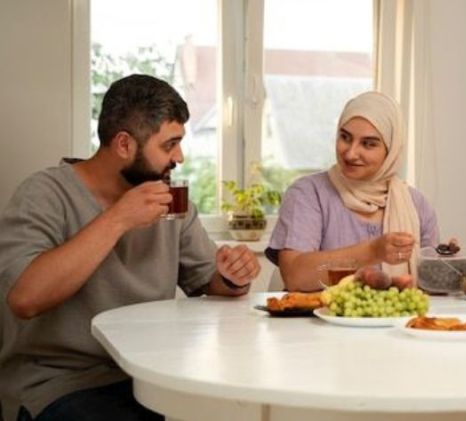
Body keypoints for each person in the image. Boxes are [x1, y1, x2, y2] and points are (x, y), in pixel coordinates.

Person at [0, 75, 261, 421]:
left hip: (151, 376)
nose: (179, 157)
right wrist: (118, 218)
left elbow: (208, 282)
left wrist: (231, 277)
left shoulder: (169, 199)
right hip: (61, 384)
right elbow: (25, 298)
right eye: (169, 145)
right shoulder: (46, 194)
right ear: (124, 144)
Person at [267, 91, 439, 292]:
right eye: (345, 137)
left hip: (399, 322)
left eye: (368, 144)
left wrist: (452, 263)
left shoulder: (416, 205)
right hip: (317, 323)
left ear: (391, 150)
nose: (350, 153)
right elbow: (296, 276)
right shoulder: (308, 194)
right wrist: (372, 252)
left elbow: (431, 286)